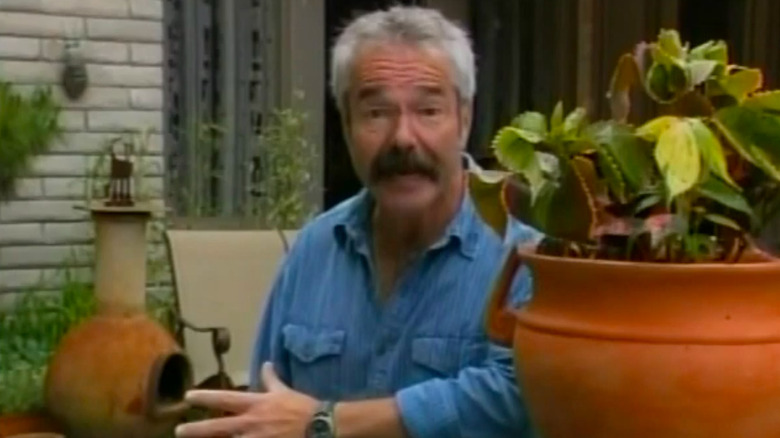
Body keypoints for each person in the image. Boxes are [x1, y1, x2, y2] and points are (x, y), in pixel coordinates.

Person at [175, 5, 541, 438]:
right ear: (346, 124)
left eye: (428, 110)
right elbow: (267, 412)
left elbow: (518, 396)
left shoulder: (528, 261)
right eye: (376, 113)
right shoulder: (314, 251)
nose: (403, 138)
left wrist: (325, 422)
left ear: (464, 119)